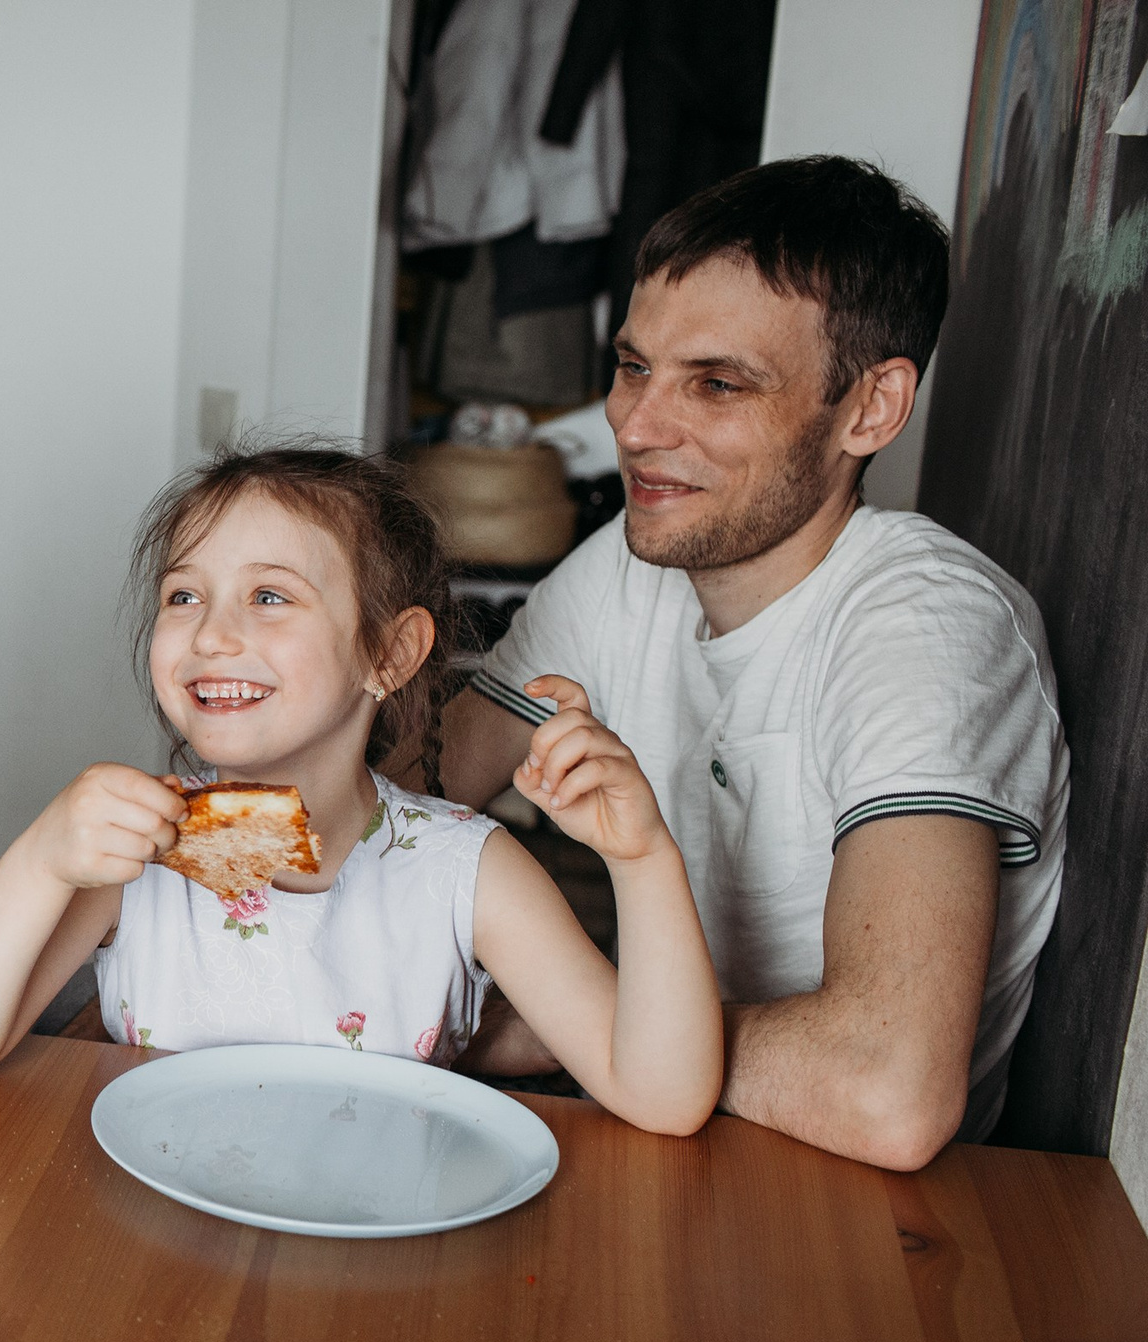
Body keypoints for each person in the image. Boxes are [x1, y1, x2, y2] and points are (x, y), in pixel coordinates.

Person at [435, 156, 1069, 1168]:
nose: (636, 428)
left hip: (848, 1201)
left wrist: (568, 1025)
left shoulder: (928, 623)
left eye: (718, 384)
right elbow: (417, 791)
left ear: (870, 408)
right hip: (671, 1138)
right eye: (633, 366)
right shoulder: (634, 563)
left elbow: (885, 1091)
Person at [0, 445, 722, 1139]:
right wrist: (40, 859)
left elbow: (665, 1096)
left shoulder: (468, 870)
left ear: (389, 654)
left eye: (269, 596)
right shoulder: (136, 850)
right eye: (184, 595)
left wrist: (642, 859)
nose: (211, 632)